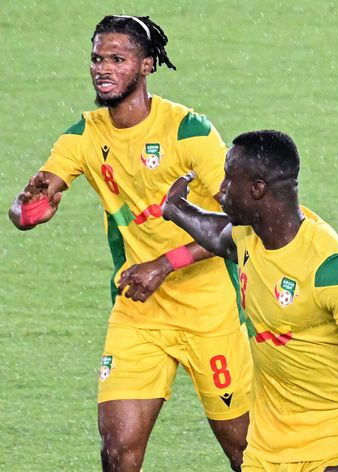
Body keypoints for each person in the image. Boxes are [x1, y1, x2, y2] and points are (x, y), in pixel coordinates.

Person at [8, 15, 252, 471]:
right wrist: (27, 208)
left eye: (117, 59)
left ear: (146, 66)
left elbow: (241, 226)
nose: (103, 68)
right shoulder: (84, 135)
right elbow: (29, 205)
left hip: (209, 310)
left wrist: (163, 263)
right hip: (139, 309)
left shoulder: (189, 131)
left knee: (245, 451)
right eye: (97, 58)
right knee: (118, 449)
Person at [162, 130, 338, 472]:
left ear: (257, 189)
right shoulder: (250, 237)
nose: (220, 190)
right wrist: (176, 208)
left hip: (330, 449)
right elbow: (218, 236)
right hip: (266, 450)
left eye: (228, 178)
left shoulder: (331, 267)